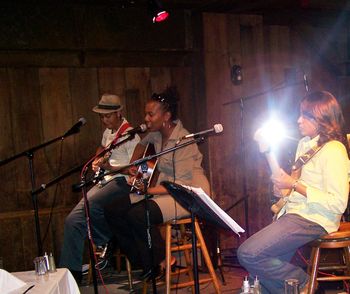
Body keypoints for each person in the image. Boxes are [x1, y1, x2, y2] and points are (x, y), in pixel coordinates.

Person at [237, 91, 350, 293]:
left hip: (314, 218)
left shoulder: (334, 150)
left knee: (249, 253)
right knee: (262, 281)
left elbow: (338, 203)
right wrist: (285, 190)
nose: (298, 120)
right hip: (294, 214)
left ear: (321, 118)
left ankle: (307, 285)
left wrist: (293, 185)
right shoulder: (305, 144)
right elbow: (296, 185)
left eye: (305, 116)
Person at [104, 86, 210, 280]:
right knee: (113, 210)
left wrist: (148, 190)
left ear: (166, 116)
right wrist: (135, 165)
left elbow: (180, 185)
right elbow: (141, 145)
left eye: (150, 114)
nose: (146, 118)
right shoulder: (156, 134)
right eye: (146, 114)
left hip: (188, 195)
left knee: (138, 214)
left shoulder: (184, 140)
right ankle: (146, 262)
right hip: (164, 189)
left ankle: (159, 262)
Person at [59, 94, 140, 283]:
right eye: (102, 117)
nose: (104, 120)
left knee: (91, 205)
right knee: (72, 220)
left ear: (119, 113)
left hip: (122, 182)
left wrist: (108, 167)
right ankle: (71, 276)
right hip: (105, 180)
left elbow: (133, 169)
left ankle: (108, 240)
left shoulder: (131, 134)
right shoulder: (109, 131)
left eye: (108, 116)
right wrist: (99, 159)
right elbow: (102, 147)